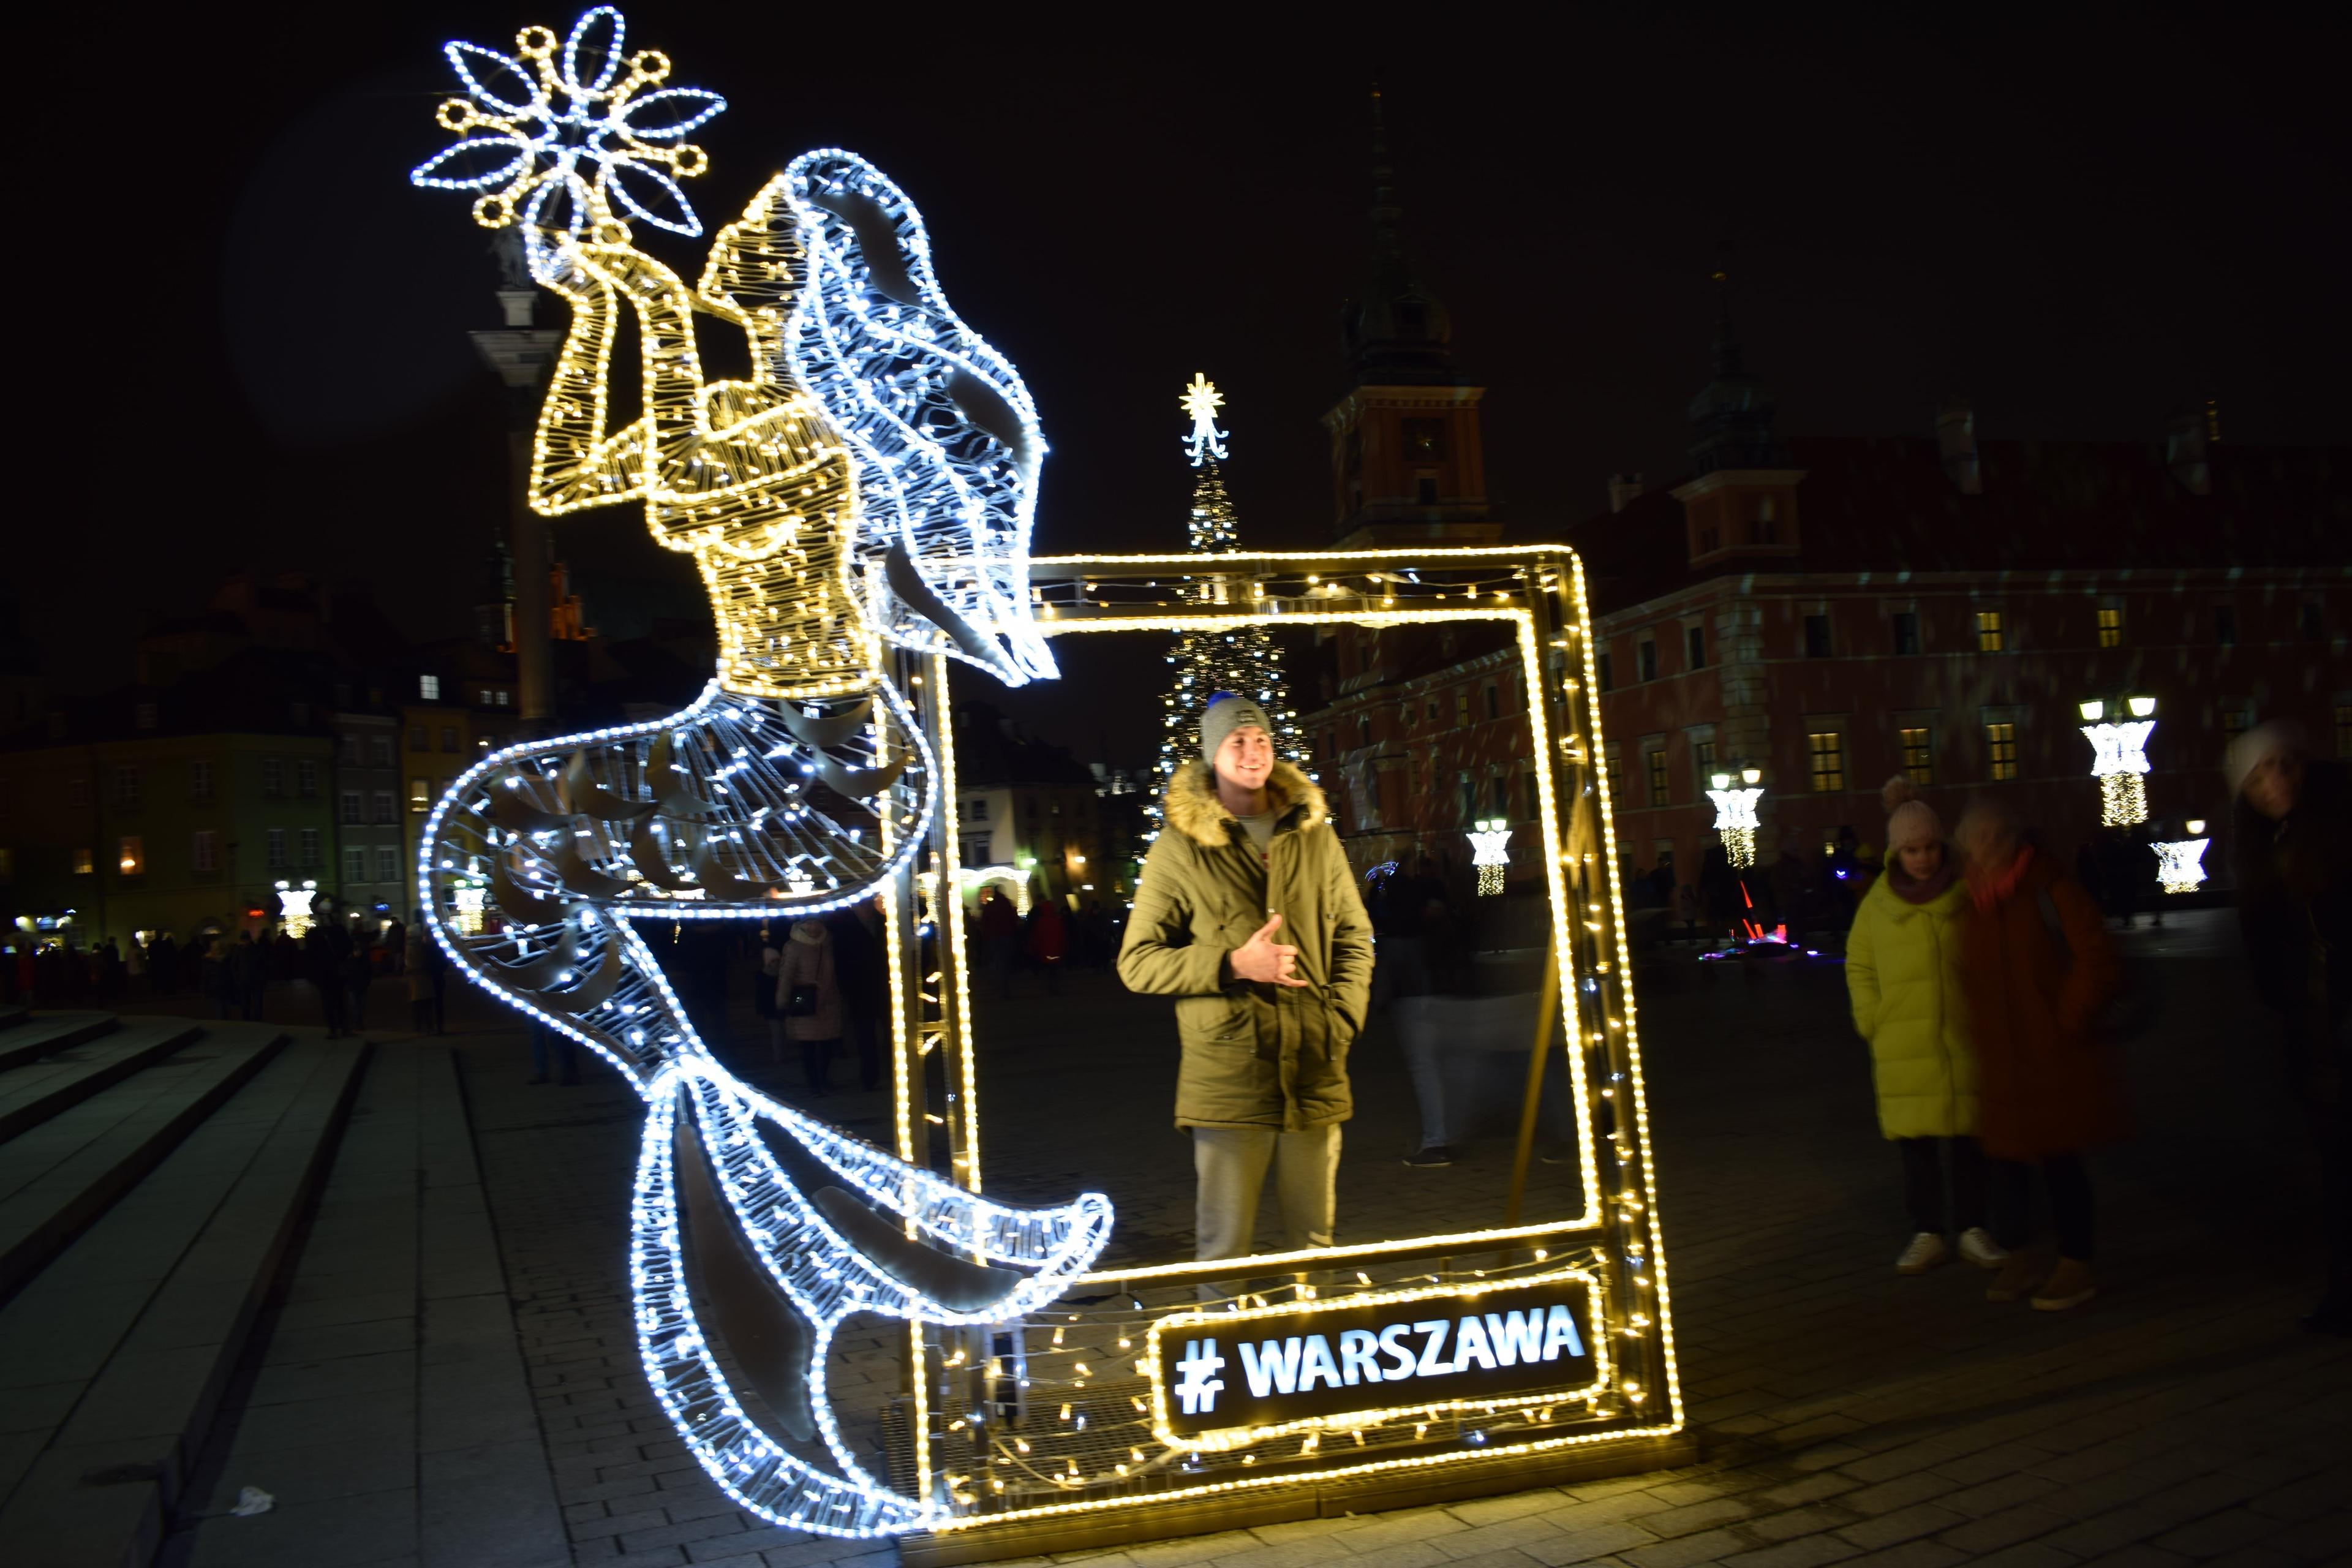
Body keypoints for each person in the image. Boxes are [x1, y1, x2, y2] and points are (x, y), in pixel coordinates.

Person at [1117, 694, 1374, 1268]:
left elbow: (1355, 934)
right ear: (1213, 754)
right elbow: (1138, 962)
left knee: (1314, 1247)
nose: (1252, 751)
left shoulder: (1314, 834)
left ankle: (1309, 1352)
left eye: (1260, 739)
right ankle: (1221, 1359)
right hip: (1228, 1075)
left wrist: (1344, 1018)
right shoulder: (1179, 848)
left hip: (1314, 1064)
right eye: (1237, 741)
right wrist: (1233, 964)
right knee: (1225, 1250)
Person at [1956, 796, 2122, 1311]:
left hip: (2052, 1057)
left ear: (2013, 839)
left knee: (2060, 1163)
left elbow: (2097, 957)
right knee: (2006, 1164)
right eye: (1975, 841)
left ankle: (2076, 1263)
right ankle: (2021, 1255)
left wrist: (2065, 1021)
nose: (1985, 849)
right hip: (2001, 1061)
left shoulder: (2051, 887)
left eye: (1993, 838)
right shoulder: (1973, 900)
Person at [1847, 778, 2005, 1275]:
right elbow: (1860, 965)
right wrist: (1873, 1019)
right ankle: (1929, 1230)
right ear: (1897, 852)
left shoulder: (1967, 893)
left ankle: (1974, 1228)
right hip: (1904, 1045)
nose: (1923, 858)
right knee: (1916, 1149)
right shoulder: (1877, 905)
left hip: (1962, 1039)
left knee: (1968, 1143)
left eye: (1930, 847)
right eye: (1912, 849)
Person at [2226, 722, 2351, 1335]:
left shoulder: (2336, 825)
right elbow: (2267, 943)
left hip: (2342, 1015)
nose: (2274, 781)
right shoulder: (2265, 849)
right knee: (2335, 1168)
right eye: (2258, 775)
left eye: (2282, 765)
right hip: (2319, 1031)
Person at [775, 918, 843, 1093]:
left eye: (816, 922)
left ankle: (824, 1080)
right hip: (806, 1002)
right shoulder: (794, 946)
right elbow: (786, 976)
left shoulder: (828, 942)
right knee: (809, 1047)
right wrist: (782, 1000)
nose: (813, 927)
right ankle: (815, 1083)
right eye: (808, 923)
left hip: (829, 1001)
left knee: (826, 1044)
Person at [829, 897, 889, 1093]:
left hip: (885, 987)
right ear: (855, 907)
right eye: (863, 906)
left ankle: (893, 1072)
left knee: (891, 1032)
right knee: (865, 1036)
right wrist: (845, 987)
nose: (868, 909)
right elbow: (841, 962)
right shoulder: (845, 928)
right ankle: (870, 1076)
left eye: (869, 905)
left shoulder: (884, 923)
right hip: (860, 990)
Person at [978, 886, 1019, 1000]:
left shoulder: (991, 905)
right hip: (1007, 936)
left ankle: (998, 987)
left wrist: (986, 935)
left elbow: (985, 921)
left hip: (994, 936)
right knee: (1005, 962)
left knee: (996, 962)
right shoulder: (1007, 904)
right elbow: (1013, 919)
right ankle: (1006, 988)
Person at [1025, 895, 1068, 994]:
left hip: (1045, 952)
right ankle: (1056, 988)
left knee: (1047, 971)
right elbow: (1063, 936)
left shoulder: (1041, 922)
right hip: (1057, 951)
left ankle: (1048, 988)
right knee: (1056, 971)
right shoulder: (1057, 921)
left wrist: (1033, 949)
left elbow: (1037, 938)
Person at [756, 923, 784, 1062]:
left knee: (779, 1031)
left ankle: (779, 1055)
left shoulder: (778, 975)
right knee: (777, 1031)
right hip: (773, 1006)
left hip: (776, 1004)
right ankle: (778, 1055)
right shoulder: (766, 978)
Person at [404, 924, 435, 1035]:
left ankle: (419, 1027)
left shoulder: (410, 947)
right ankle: (429, 1027)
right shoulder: (424, 946)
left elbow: (409, 964)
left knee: (418, 1007)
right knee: (427, 1007)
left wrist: (408, 970)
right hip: (425, 981)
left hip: (416, 982)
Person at [344, 932, 375, 1034]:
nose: (358, 953)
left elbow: (369, 973)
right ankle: (358, 1024)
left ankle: (359, 1024)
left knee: (359, 1007)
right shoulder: (352, 960)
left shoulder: (357, 960)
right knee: (356, 1007)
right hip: (354, 987)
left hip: (359, 986)